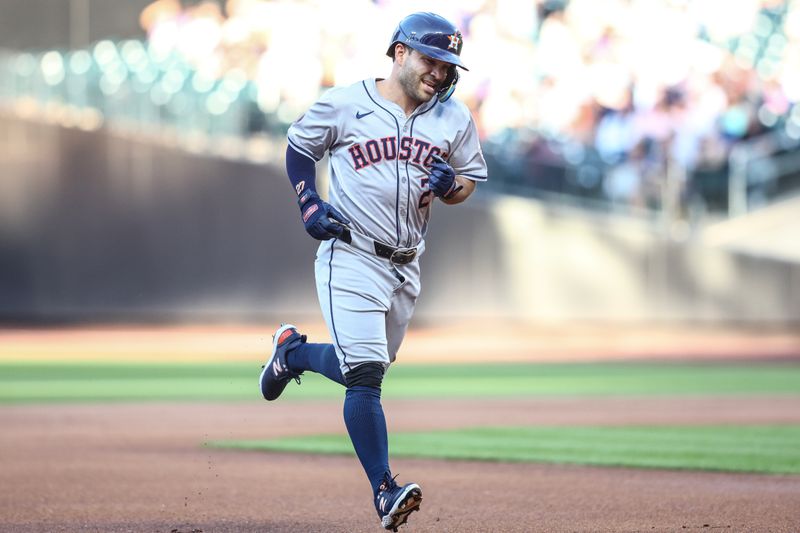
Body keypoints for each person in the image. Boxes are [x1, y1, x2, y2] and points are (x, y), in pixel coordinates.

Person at [259, 11, 487, 531]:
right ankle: (385, 491)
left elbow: (466, 184)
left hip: (407, 265)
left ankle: (291, 353)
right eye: (432, 60)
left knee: (363, 368)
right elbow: (298, 146)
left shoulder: (453, 120)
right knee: (365, 376)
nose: (441, 73)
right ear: (400, 52)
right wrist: (308, 203)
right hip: (351, 254)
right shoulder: (346, 103)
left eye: (449, 66)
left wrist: (452, 186)